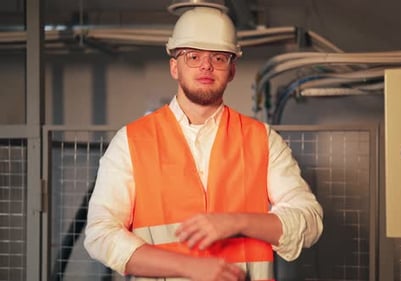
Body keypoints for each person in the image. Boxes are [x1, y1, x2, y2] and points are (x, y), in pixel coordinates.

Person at [84, 6, 323, 281]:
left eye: (219, 58)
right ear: (175, 66)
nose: (206, 66)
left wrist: (238, 222)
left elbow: (310, 221)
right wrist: (187, 266)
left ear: (232, 70)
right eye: (193, 56)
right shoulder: (131, 141)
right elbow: (101, 234)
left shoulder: (262, 139)